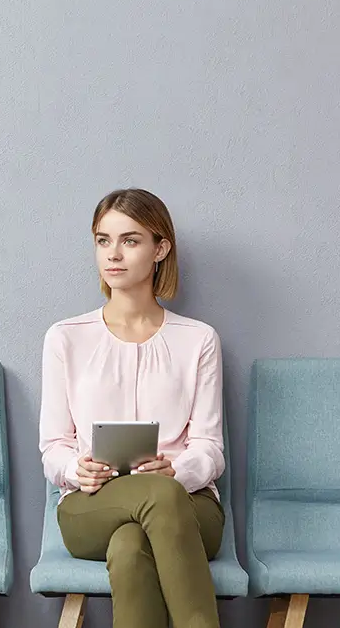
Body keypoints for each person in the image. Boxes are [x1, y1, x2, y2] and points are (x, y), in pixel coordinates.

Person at [39, 188, 225, 628]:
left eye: (131, 240)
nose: (113, 254)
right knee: (149, 506)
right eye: (103, 240)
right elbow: (53, 445)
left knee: (128, 547)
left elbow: (210, 448)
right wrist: (73, 469)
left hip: (188, 505)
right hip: (90, 504)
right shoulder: (65, 337)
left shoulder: (198, 340)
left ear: (161, 248)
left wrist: (176, 472)